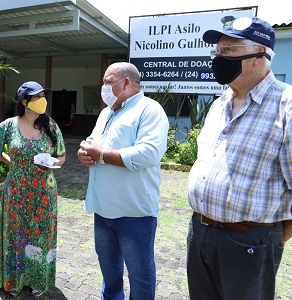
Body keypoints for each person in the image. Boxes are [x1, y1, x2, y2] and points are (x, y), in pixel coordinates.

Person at [187, 16, 292, 300]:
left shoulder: (286, 106)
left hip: (250, 242)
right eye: (217, 52)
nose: (218, 58)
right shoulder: (219, 104)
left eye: (229, 51)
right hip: (200, 232)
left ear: (260, 55)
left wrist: (268, 241)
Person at [77, 62, 169, 300]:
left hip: (134, 213)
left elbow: (149, 153)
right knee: (110, 272)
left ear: (125, 82)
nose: (103, 87)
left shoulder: (150, 109)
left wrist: (102, 156)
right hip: (103, 209)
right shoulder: (107, 112)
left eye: (107, 82)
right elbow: (93, 141)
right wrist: (85, 151)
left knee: (140, 275)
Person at [0, 81, 66, 297]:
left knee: (41, 236)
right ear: (24, 101)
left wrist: (52, 163)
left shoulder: (51, 127)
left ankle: (38, 280)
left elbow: (62, 155)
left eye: (43, 96)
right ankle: (13, 281)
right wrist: (10, 161)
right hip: (17, 191)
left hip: (44, 192)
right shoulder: (9, 126)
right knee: (16, 235)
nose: (42, 101)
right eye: (37, 97)